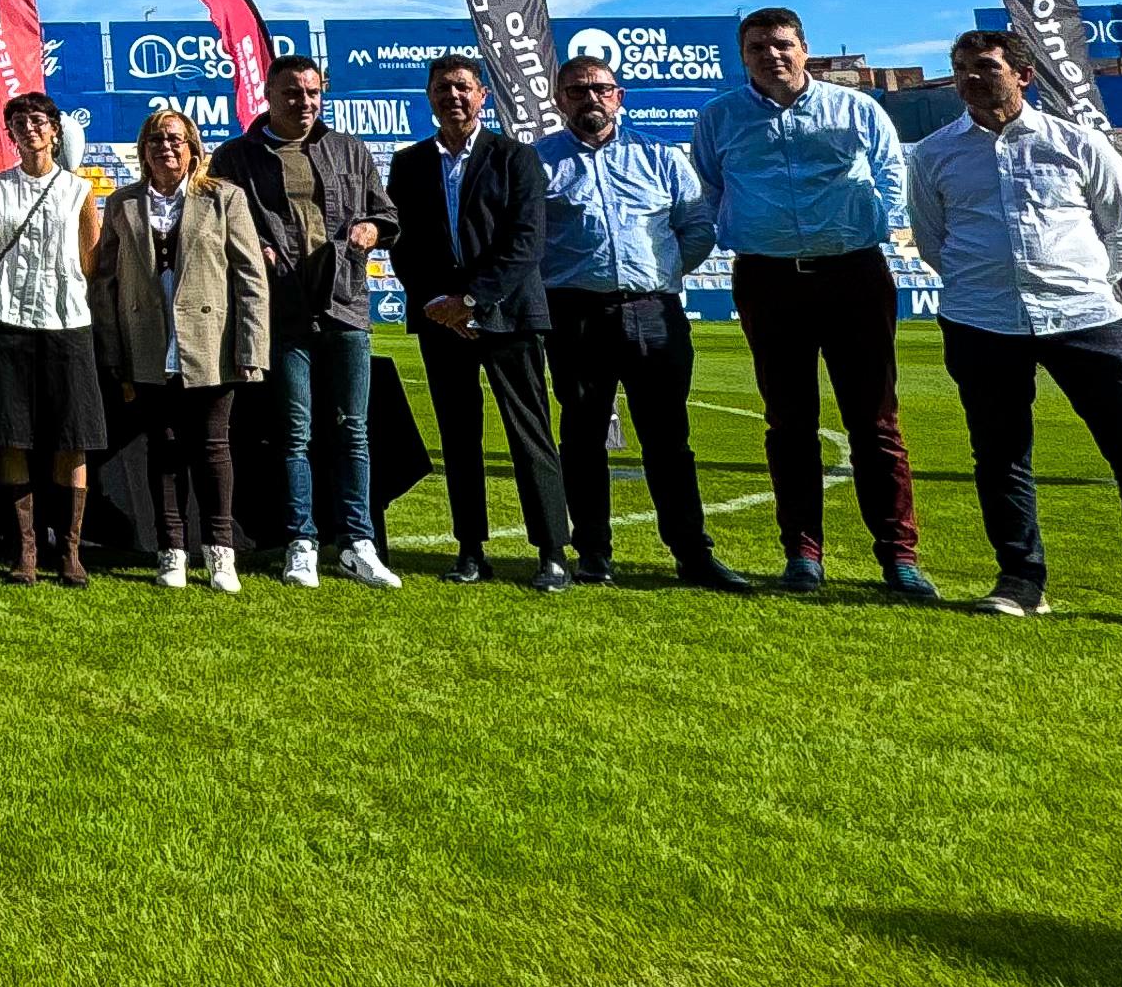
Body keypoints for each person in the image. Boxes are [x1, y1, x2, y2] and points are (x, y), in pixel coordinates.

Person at [909, 30, 1122, 634]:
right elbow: (933, 242)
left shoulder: (1078, 144)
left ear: (1023, 75)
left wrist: (1077, 283)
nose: (970, 79)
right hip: (983, 321)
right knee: (1000, 456)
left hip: (1087, 319)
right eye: (960, 69)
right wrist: (990, 283)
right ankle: (1021, 581)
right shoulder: (933, 155)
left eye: (985, 67)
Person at [691, 8, 930, 599]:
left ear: (804, 48)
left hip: (854, 275)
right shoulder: (719, 118)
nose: (770, 55)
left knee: (875, 421)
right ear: (741, 56)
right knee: (789, 421)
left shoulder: (856, 108)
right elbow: (708, 187)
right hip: (768, 281)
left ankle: (899, 557)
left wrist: (877, 223)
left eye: (780, 44)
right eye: (756, 48)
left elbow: (891, 175)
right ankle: (802, 553)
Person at [537, 53, 754, 593]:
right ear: (560, 99)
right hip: (576, 315)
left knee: (668, 439)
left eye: (601, 89)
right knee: (582, 438)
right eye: (578, 90)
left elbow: (697, 225)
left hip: (654, 312)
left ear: (619, 95)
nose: (591, 98)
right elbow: (527, 241)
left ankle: (691, 554)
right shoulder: (537, 163)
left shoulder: (660, 157)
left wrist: (660, 273)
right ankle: (592, 553)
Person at [210, 54, 401, 589]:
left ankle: (357, 542)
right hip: (280, 312)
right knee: (294, 433)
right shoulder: (236, 156)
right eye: (292, 93)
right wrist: (255, 250)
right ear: (268, 95)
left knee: (353, 431)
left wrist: (370, 229)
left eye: (313, 93)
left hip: (346, 306)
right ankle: (301, 542)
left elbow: (386, 214)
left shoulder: (349, 149)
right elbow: (219, 226)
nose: (304, 102)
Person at [385, 57, 574, 587]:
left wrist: (471, 301)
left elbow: (524, 243)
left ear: (482, 95)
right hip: (441, 320)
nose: (453, 97)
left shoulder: (515, 157)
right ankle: (470, 549)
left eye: (463, 88)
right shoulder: (410, 163)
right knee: (458, 436)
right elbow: (405, 246)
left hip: (508, 317)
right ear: (429, 97)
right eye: (442, 89)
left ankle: (552, 552)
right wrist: (438, 305)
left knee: (529, 433)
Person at [90, 106, 267, 589]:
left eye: (175, 140)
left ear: (192, 148)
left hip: (210, 345)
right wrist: (112, 350)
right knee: (163, 448)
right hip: (147, 344)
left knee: (213, 449)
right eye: (155, 141)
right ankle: (171, 550)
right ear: (143, 151)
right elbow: (105, 281)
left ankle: (220, 551)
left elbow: (251, 277)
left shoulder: (224, 198)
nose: (165, 148)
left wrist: (251, 349)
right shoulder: (123, 203)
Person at [0, 91, 107, 586]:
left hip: (66, 322)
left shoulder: (78, 191)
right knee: (12, 435)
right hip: (6, 321)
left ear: (55, 130)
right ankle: (25, 548)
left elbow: (90, 261)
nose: (30, 129)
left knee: (72, 438)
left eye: (38, 121)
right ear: (10, 134)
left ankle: (70, 550)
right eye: (20, 122)